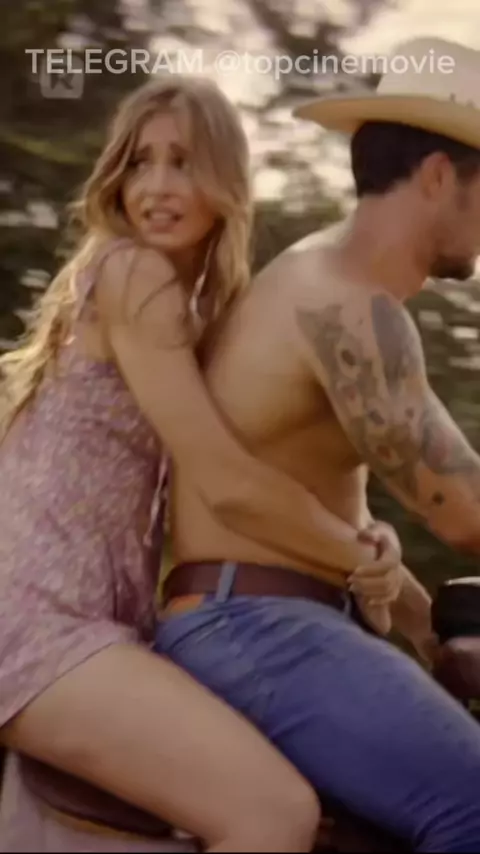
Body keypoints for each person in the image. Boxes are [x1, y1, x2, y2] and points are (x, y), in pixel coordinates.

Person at [0, 73, 399, 853]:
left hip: (87, 620)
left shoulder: (194, 315)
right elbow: (223, 482)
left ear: (225, 180)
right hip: (40, 623)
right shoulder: (133, 275)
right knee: (271, 813)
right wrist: (360, 563)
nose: (155, 187)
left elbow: (261, 480)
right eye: (138, 163)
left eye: (182, 163)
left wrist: (386, 568)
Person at [156, 36, 480, 853]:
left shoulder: (324, 282)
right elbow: (465, 511)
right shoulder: (349, 307)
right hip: (256, 624)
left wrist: (423, 625)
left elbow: (327, 507)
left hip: (273, 616)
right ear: (439, 176)